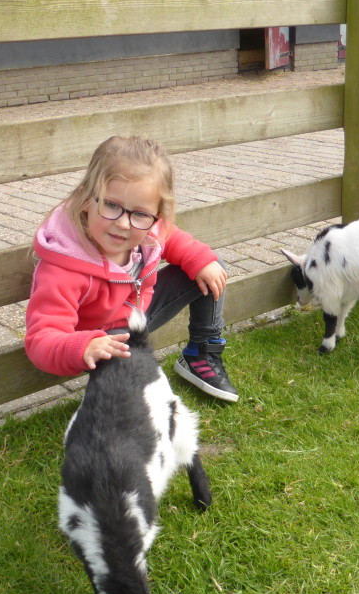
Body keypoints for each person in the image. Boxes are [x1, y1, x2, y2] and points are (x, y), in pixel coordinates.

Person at [24, 135, 239, 402]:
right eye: (112, 205)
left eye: (139, 214)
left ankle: (201, 354)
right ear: (86, 199)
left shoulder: (148, 229)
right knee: (133, 390)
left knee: (210, 267)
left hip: (140, 312)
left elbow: (169, 236)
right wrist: (82, 346)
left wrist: (200, 260)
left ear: (156, 216)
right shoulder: (62, 269)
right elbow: (42, 339)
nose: (124, 224)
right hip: (105, 339)